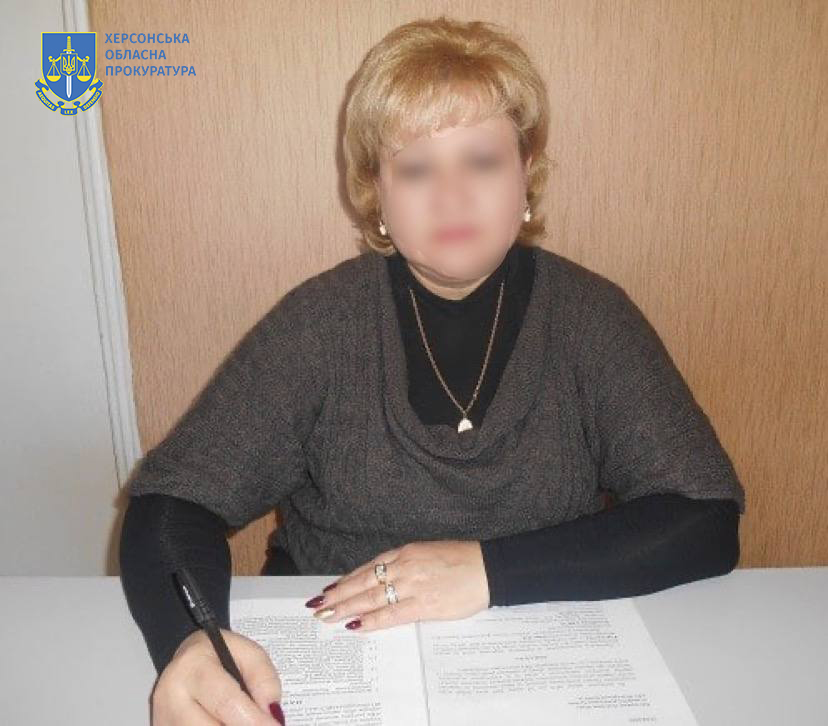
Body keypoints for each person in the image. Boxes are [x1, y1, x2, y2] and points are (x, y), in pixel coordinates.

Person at [119, 15, 745, 726]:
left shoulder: (591, 317)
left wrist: (488, 570)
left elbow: (703, 517)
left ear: (526, 177)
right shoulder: (319, 323)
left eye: (481, 161)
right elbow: (173, 504)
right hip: (335, 658)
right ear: (377, 196)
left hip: (541, 654)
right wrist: (192, 642)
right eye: (416, 168)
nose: (451, 195)